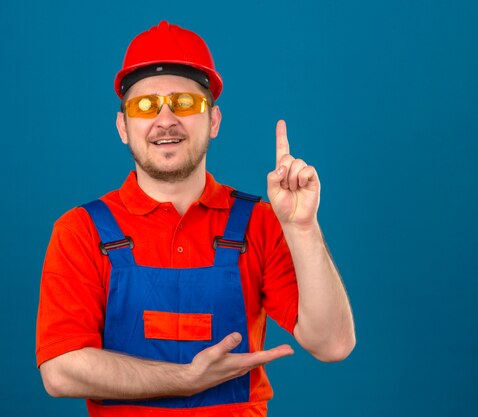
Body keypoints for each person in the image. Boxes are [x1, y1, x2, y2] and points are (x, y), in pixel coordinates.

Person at [35, 20, 355, 417]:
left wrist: (303, 228)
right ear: (123, 127)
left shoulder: (261, 222)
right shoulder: (80, 231)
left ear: (214, 121)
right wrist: (187, 379)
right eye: (145, 106)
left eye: (185, 103)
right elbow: (60, 370)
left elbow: (333, 344)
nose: (165, 119)